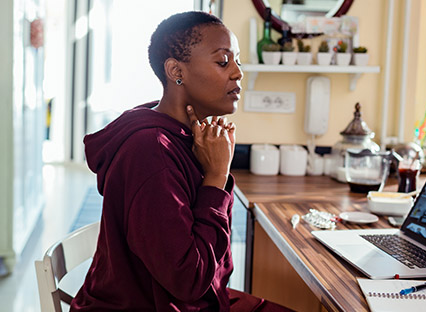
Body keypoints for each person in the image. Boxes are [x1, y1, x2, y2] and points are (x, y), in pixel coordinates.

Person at [71, 11, 293, 312]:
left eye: (238, 61)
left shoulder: (185, 138)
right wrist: (216, 176)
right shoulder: (151, 151)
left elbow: (210, 270)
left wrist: (214, 170)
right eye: (223, 61)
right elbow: (189, 280)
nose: (238, 73)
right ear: (177, 70)